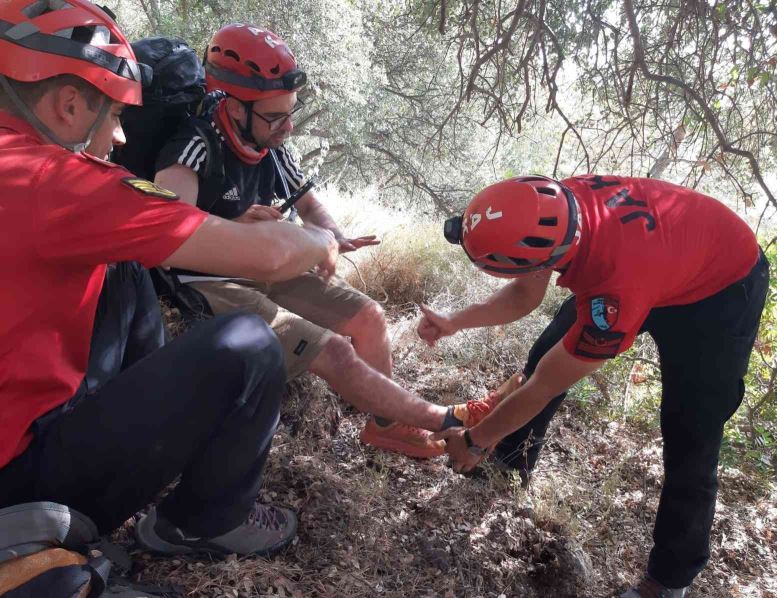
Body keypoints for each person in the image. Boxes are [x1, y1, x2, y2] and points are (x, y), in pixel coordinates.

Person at [0, 0, 450, 558]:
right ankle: (201, 523)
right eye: (115, 115)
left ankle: (390, 419)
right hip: (21, 485)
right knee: (250, 345)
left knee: (122, 269)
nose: (121, 139)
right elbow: (261, 251)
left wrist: (315, 233)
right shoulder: (61, 182)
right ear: (68, 104)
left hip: (33, 421)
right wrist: (317, 241)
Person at [421, 174, 769, 597]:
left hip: (721, 290)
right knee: (545, 351)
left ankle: (667, 583)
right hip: (659, 261)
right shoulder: (552, 205)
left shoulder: (613, 290)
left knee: (692, 432)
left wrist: (474, 440)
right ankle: (511, 463)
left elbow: (545, 386)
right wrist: (455, 321)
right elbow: (524, 294)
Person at [152, 23, 443, 458]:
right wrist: (233, 223)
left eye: (291, 112)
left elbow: (309, 203)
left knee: (370, 317)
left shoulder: (271, 147)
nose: (288, 127)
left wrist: (333, 234)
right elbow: (166, 234)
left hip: (268, 264)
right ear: (234, 108)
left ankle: (386, 426)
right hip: (207, 279)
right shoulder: (194, 145)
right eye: (275, 117)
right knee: (335, 352)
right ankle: (443, 419)